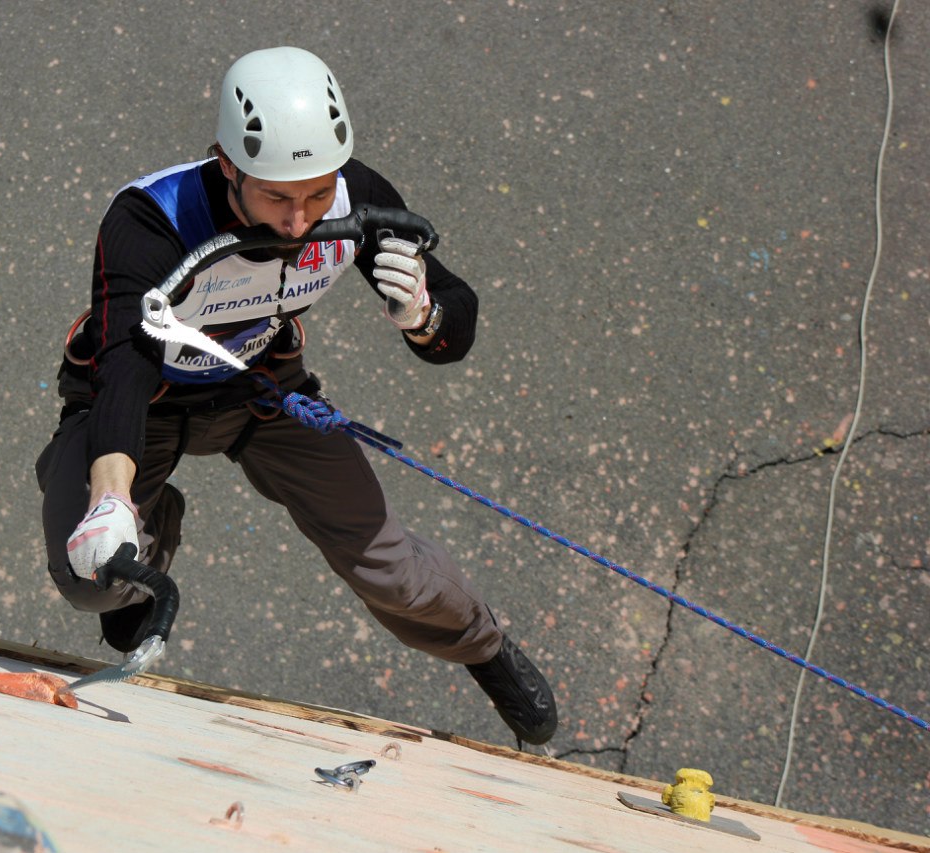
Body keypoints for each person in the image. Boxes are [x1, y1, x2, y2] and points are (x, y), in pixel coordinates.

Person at [35, 46, 558, 745]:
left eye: (316, 194)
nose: (299, 221)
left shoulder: (352, 192)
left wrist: (426, 316)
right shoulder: (151, 219)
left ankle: (483, 646)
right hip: (147, 400)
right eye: (277, 196)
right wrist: (111, 497)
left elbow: (456, 309)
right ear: (227, 164)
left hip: (262, 391)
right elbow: (125, 364)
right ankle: (147, 527)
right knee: (89, 575)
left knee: (392, 568)